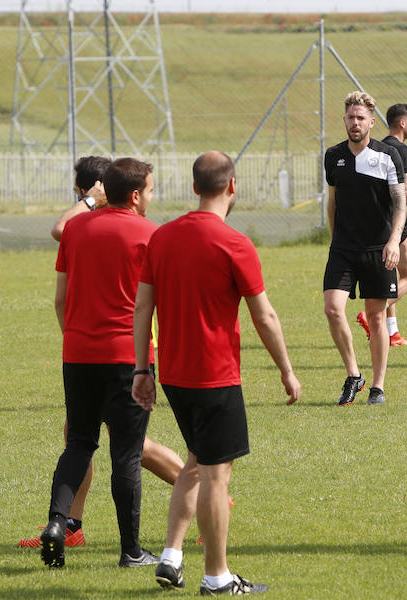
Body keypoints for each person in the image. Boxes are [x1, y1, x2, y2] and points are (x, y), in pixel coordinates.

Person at [132, 151, 301, 595]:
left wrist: (141, 368)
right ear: (232, 186)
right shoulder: (235, 243)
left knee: (195, 460)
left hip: (173, 373)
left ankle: (170, 556)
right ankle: (217, 576)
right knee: (215, 473)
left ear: (193, 188)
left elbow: (142, 307)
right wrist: (287, 370)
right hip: (215, 375)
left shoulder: (162, 237)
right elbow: (264, 316)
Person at [20, 156, 184, 550]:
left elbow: (60, 299)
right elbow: (166, 303)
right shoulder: (150, 234)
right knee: (127, 454)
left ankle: (58, 525)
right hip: (129, 357)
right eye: (149, 190)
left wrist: (74, 339)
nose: (150, 197)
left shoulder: (76, 230)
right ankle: (131, 551)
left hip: (77, 354)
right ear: (133, 195)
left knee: (78, 443)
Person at [323, 91, 407, 406]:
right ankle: (353, 374)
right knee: (333, 308)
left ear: (371, 122)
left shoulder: (388, 155)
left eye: (361, 118)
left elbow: (400, 204)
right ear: (344, 120)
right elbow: (332, 201)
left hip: (379, 248)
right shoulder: (333, 156)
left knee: (376, 316)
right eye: (350, 117)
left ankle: (378, 386)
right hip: (343, 248)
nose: (355, 123)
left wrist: (393, 242)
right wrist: (334, 240)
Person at [369, 102, 407, 347]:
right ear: (402, 123)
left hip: (380, 223)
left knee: (391, 278)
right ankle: (372, 313)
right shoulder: (401, 150)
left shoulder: (378, 148)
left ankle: (392, 333)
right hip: (400, 224)